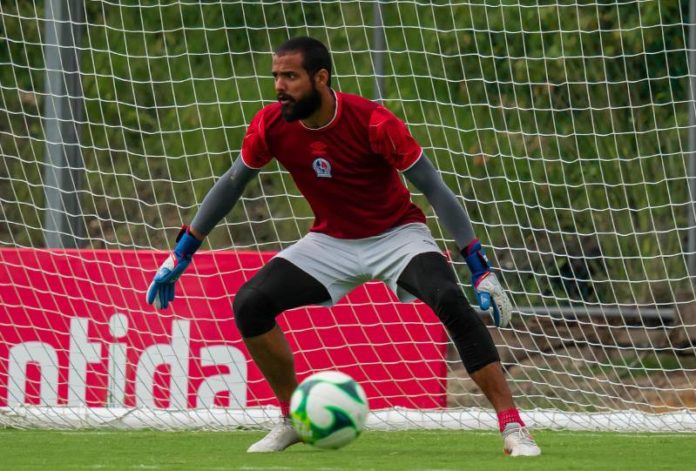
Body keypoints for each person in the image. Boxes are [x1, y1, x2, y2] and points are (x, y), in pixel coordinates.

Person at [146, 36, 541, 457]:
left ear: (321, 78)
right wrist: (183, 250)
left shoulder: (374, 122)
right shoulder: (272, 125)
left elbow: (435, 189)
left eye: (291, 76)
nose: (280, 86)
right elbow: (231, 184)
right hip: (330, 242)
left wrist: (478, 265)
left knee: (449, 299)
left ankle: (513, 426)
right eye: (276, 76)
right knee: (250, 304)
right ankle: (292, 418)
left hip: (396, 237)